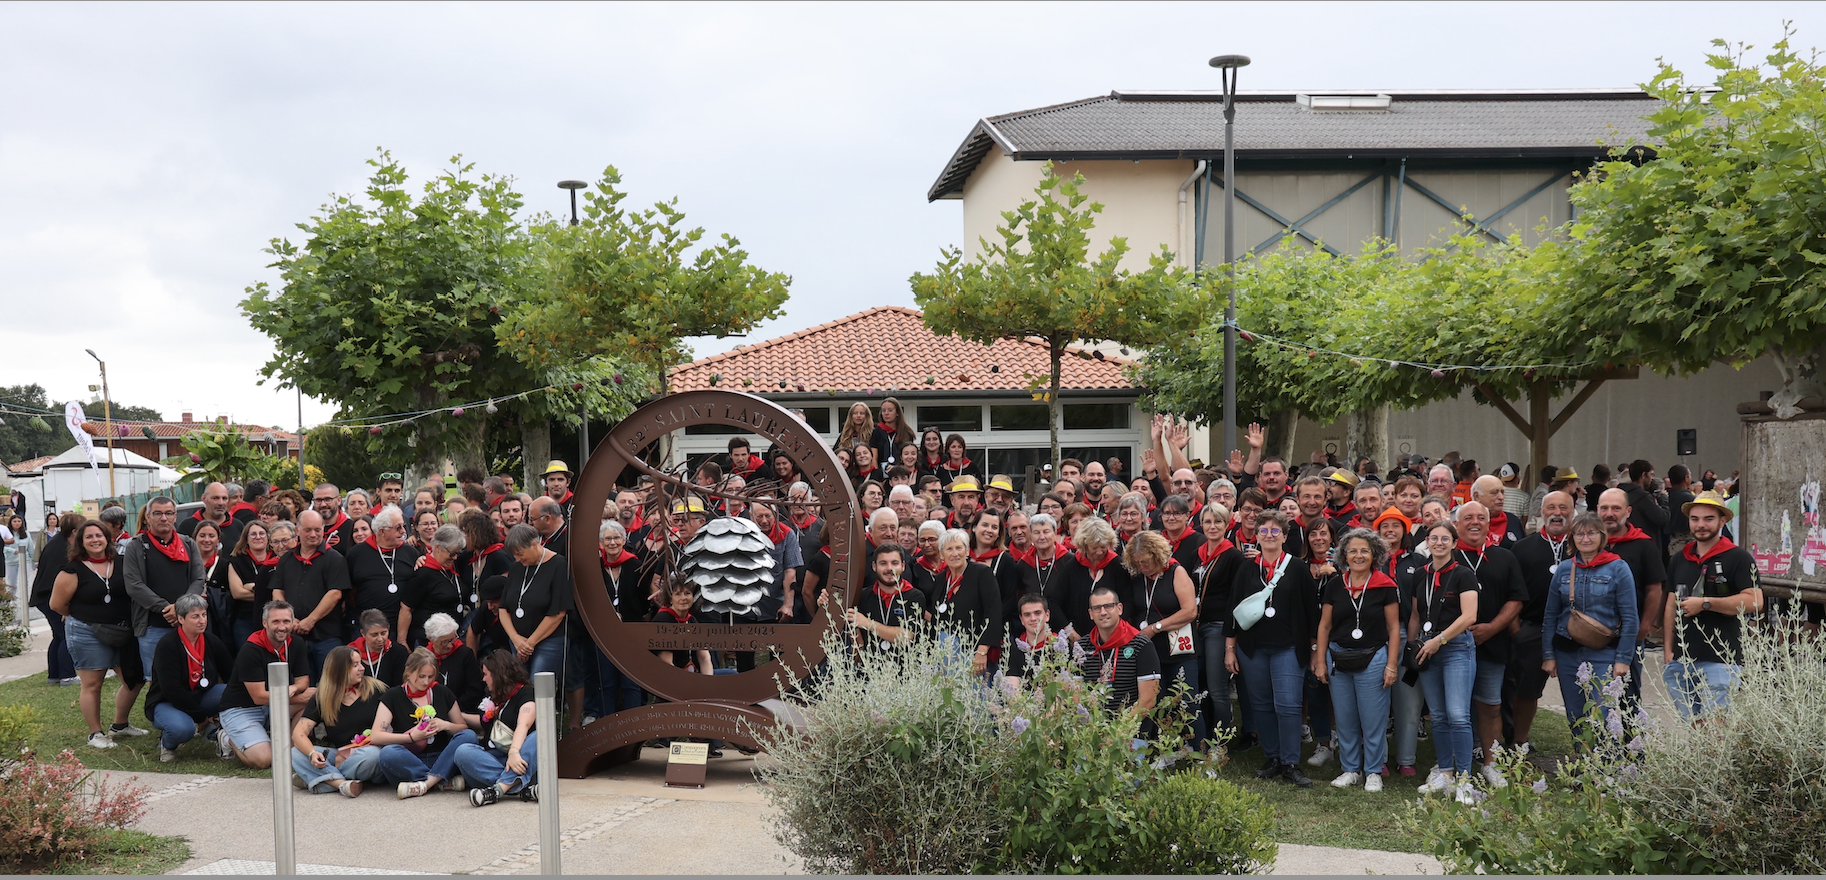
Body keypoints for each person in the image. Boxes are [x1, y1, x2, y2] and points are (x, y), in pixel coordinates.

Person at [1225, 510, 1317, 788]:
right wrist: (1230, 648)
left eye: (1275, 531)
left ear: (1285, 536)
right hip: (1252, 648)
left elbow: (1312, 611)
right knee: (1261, 705)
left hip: (1288, 646)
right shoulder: (1247, 568)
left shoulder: (1298, 568)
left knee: (1288, 705)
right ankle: (1273, 757)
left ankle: (1290, 762)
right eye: (1263, 531)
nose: (1268, 536)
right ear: (1256, 536)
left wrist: (1314, 649)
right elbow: (1234, 609)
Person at [1311, 530, 1401, 791]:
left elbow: (1394, 628)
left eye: (1364, 550)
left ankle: (1373, 770)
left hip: (1373, 656)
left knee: (1373, 718)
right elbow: (1324, 627)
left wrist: (1391, 664)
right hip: (1338, 656)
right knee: (1345, 716)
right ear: (1344, 555)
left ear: (1374, 554)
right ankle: (1351, 769)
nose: (1358, 555)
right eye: (1352, 550)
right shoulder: (1335, 585)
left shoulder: (1386, 585)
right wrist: (1320, 661)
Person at [1663, 492, 1761, 720]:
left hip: (1721, 659)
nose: (1701, 525)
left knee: (1716, 732)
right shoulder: (1679, 558)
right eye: (1695, 519)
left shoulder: (1738, 557)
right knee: (1694, 729)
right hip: (1681, 661)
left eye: (1708, 519)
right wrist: (1668, 651)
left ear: (1722, 521)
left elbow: (1755, 601)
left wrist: (1706, 604)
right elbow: (1670, 605)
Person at [50, 520, 147, 748]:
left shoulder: (123, 563)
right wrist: (82, 614)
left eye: (99, 535)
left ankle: (120, 725)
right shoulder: (72, 569)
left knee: (134, 680)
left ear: (107, 538)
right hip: (87, 631)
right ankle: (96, 734)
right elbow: (57, 604)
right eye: (89, 537)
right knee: (93, 684)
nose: (95, 540)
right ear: (81, 542)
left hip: (123, 630)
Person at [1451, 501, 1527, 788]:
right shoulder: (1447, 556)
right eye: (1467, 517)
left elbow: (1516, 599)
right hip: (1452, 646)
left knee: (1490, 705)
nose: (1474, 522)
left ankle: (1491, 763)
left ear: (1488, 523)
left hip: (1492, 645)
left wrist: (1492, 628)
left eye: (1480, 518)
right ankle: (1451, 763)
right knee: (1453, 708)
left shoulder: (1505, 558)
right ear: (1457, 524)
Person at [1540, 513, 1638, 736]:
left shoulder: (1618, 568)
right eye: (1580, 533)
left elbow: (1630, 617)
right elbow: (1551, 614)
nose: (1586, 538)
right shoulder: (1564, 569)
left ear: (1601, 536)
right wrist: (1548, 655)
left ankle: (1605, 767)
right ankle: (1581, 764)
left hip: (1604, 652)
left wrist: (1623, 659)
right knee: (1575, 715)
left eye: (1592, 533)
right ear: (1572, 538)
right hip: (1567, 652)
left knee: (1603, 714)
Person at [1410, 522, 1481, 802]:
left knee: (1458, 715)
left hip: (1455, 648)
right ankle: (1446, 773)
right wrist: (1413, 643)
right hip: (1427, 648)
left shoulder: (1464, 574)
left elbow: (1469, 616)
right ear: (1427, 542)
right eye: (1434, 538)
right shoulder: (1420, 574)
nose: (1439, 543)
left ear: (1454, 543)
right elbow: (1417, 614)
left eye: (1445, 538)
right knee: (1437, 715)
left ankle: (1464, 779)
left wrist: (1439, 640)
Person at [1506, 491, 1574, 754]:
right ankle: (1519, 740)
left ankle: (1586, 744)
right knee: (1526, 690)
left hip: (1574, 630)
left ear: (1572, 511)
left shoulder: (1582, 545)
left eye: (1563, 507)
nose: (1557, 513)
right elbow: (1512, 593)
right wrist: (1517, 631)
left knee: (1581, 692)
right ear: (1541, 512)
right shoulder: (1522, 547)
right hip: (1532, 629)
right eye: (1551, 507)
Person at [219, 601, 315, 769]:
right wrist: (292, 695)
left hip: (274, 704)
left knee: (313, 696)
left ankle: (293, 747)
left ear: (293, 622)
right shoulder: (251, 650)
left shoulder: (296, 643)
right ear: (265, 623)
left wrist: (293, 689)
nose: (282, 627)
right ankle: (226, 737)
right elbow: (259, 697)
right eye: (275, 622)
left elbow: (303, 681)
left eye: (286, 621)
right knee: (264, 760)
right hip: (242, 708)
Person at [373, 647, 479, 799]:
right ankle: (441, 780)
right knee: (387, 754)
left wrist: (446, 725)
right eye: (421, 676)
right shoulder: (393, 696)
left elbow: (463, 728)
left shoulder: (442, 692)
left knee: (469, 735)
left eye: (431, 676)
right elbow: (376, 736)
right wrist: (411, 737)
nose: (426, 681)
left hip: (443, 756)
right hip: (410, 758)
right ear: (408, 672)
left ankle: (426, 783)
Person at [124, 496, 207, 684]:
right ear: (147, 517)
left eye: (168, 513)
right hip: (153, 626)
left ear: (175, 516)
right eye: (158, 513)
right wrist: (166, 608)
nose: (164, 518)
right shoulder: (136, 546)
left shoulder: (188, 544)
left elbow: (198, 578)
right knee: (158, 680)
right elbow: (134, 585)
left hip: (187, 623)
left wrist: (181, 608)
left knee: (190, 674)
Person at [1125, 530, 1200, 739]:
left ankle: (1200, 753)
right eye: (1138, 562)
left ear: (1157, 555)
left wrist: (1155, 628)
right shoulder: (1139, 577)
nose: (1143, 567)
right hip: (1150, 649)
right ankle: (1164, 750)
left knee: (1187, 701)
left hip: (1178, 647)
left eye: (1146, 562)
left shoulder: (1176, 572)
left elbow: (1190, 611)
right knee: (1157, 702)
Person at [146, 593, 233, 762]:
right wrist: (201, 718)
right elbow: (171, 689)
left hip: (199, 695)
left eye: (204, 615)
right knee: (182, 729)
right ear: (181, 619)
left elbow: (230, 673)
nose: (202, 620)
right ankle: (167, 744)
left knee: (230, 692)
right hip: (167, 701)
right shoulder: (168, 644)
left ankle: (222, 732)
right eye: (195, 616)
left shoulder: (210, 640)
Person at [290, 645, 387, 797]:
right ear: (339, 670)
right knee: (295, 752)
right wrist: (312, 754)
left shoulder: (376, 689)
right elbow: (298, 733)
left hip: (368, 753)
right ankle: (341, 784)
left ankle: (318, 780)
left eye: (360, 663)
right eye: (355, 665)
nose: (362, 668)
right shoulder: (323, 697)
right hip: (341, 755)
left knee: (373, 755)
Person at [500, 523, 573, 717]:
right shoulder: (517, 567)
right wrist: (516, 639)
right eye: (514, 555)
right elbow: (503, 609)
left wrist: (529, 643)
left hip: (548, 641)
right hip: (518, 640)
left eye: (520, 553)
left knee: (537, 690)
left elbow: (558, 612)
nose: (517, 558)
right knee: (520, 689)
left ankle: (539, 736)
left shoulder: (558, 565)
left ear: (534, 544)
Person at [452, 649, 542, 806]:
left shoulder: (526, 694)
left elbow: (524, 724)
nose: (484, 679)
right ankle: (520, 788)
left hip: (523, 760)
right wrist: (454, 714)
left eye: (486, 674)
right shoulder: (496, 698)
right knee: (463, 751)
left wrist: (514, 752)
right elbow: (482, 721)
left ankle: (497, 790)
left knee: (539, 736)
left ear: (498, 674)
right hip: (498, 760)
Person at [275, 509, 351, 680]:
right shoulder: (286, 559)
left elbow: (335, 594)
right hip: (292, 635)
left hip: (326, 636)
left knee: (330, 683)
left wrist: (310, 620)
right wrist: (288, 618)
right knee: (298, 684)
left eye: (318, 529)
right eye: (308, 530)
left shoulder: (335, 559)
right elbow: (277, 590)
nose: (313, 534)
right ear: (297, 530)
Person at [1077, 583, 1161, 715]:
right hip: (1091, 729)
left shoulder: (1141, 645)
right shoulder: (1081, 647)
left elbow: (1148, 700)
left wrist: (1118, 733)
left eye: (1109, 606)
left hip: (1130, 731)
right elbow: (1075, 695)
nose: (1103, 612)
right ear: (1091, 614)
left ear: (1120, 609)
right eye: (1097, 608)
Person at [931, 528, 1002, 677]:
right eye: (949, 549)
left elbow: (993, 613)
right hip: (945, 654)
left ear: (967, 551)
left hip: (974, 651)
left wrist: (982, 651)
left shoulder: (982, 574)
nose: (955, 553)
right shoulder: (940, 579)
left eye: (959, 547)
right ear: (942, 555)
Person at [1047, 517, 1129, 639]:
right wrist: (1069, 632)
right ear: (1084, 546)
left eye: (1103, 547)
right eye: (1094, 548)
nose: (1100, 552)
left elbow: (1128, 602)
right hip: (1078, 634)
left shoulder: (1117, 565)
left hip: (1111, 634)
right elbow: (1054, 602)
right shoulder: (1072, 566)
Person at [31, 512, 82, 686]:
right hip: (48, 597)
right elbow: (59, 579)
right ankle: (67, 676)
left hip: (42, 596)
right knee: (66, 634)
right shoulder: (62, 548)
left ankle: (54, 675)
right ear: (74, 531)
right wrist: (64, 606)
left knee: (58, 635)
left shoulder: (58, 543)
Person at [845, 541, 927, 649]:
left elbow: (906, 636)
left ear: (903, 566)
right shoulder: (863, 595)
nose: (889, 568)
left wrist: (868, 623)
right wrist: (825, 601)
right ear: (874, 566)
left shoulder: (915, 596)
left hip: (905, 663)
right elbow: (844, 615)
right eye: (883, 563)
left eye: (894, 563)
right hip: (871, 664)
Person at [400, 524, 464, 648]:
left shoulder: (452, 567)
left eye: (458, 553)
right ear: (438, 547)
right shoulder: (423, 573)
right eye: (452, 554)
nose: (455, 557)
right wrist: (402, 641)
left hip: (451, 639)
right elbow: (406, 608)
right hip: (428, 641)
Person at [227, 521, 281, 646]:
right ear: (246, 538)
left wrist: (251, 587)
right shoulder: (236, 560)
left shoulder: (278, 558)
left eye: (262, 533)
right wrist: (268, 593)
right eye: (253, 534)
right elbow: (237, 593)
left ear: (268, 537)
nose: (258, 537)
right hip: (245, 619)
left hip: (276, 618)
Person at [424, 612, 486, 716]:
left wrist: (451, 709)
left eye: (452, 639)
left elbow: (474, 690)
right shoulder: (423, 656)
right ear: (431, 639)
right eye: (444, 642)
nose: (449, 645)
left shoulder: (465, 654)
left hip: (461, 711)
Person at [351, 608, 409, 687]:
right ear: (363, 633)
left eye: (383, 633)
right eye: (374, 635)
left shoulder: (398, 652)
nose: (380, 639)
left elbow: (400, 685)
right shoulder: (352, 653)